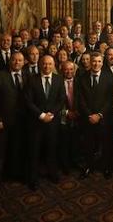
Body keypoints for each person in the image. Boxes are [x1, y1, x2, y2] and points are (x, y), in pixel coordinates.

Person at [0, 51, 27, 194]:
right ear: (10, 61)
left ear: (24, 62)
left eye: (20, 60)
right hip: (3, 122)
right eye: (14, 60)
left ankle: (14, 174)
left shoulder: (27, 75)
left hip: (21, 122)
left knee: (17, 149)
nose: (17, 63)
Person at [25, 55, 65, 190]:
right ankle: (33, 179)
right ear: (40, 65)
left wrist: (51, 114)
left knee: (52, 149)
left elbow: (61, 100)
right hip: (36, 122)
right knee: (34, 151)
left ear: (54, 65)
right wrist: (41, 115)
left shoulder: (59, 79)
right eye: (44, 64)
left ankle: (52, 173)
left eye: (49, 64)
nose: (47, 66)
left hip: (52, 122)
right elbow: (28, 101)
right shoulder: (31, 80)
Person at [77, 52, 113, 180]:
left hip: (104, 118)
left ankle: (106, 167)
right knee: (89, 145)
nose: (96, 64)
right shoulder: (82, 78)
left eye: (99, 61)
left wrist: (99, 115)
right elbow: (80, 99)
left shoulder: (109, 77)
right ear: (89, 62)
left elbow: (110, 99)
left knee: (106, 145)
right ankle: (88, 166)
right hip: (88, 119)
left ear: (102, 62)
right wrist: (89, 115)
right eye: (94, 61)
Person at [59, 61, 80, 175]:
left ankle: (75, 162)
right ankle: (65, 165)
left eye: (71, 69)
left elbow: (82, 97)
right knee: (64, 142)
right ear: (62, 70)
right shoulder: (57, 82)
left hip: (78, 116)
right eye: (66, 69)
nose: (69, 72)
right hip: (63, 117)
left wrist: (77, 111)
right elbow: (54, 101)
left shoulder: (79, 82)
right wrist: (66, 112)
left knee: (75, 141)